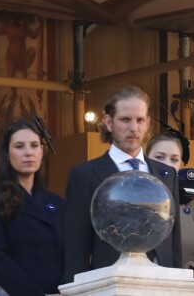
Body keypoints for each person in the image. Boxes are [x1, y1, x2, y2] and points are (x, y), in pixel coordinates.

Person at [62, 86, 182, 284]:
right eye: (125, 119)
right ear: (109, 122)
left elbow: (174, 239)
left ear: (148, 123)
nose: (133, 128)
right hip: (110, 285)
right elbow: (76, 245)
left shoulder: (166, 174)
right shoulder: (84, 175)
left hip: (162, 284)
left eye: (140, 120)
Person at [0, 118, 65, 296]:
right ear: (7, 155)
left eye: (34, 145)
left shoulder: (57, 202)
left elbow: (69, 255)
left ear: (41, 152)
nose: (28, 152)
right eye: (19, 146)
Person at [146, 132, 194, 279]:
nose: (167, 164)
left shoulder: (193, 208)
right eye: (159, 157)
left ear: (180, 164)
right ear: (145, 160)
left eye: (174, 159)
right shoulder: (131, 201)